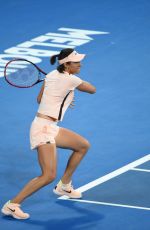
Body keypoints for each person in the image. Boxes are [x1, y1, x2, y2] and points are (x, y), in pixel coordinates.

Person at [1, 48, 96, 220]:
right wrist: (71, 88)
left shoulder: (51, 74)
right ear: (67, 64)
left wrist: (63, 97)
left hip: (49, 126)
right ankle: (13, 205)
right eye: (76, 62)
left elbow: (40, 99)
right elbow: (92, 89)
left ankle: (64, 185)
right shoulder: (71, 79)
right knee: (48, 175)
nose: (80, 64)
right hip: (42, 129)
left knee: (82, 146)